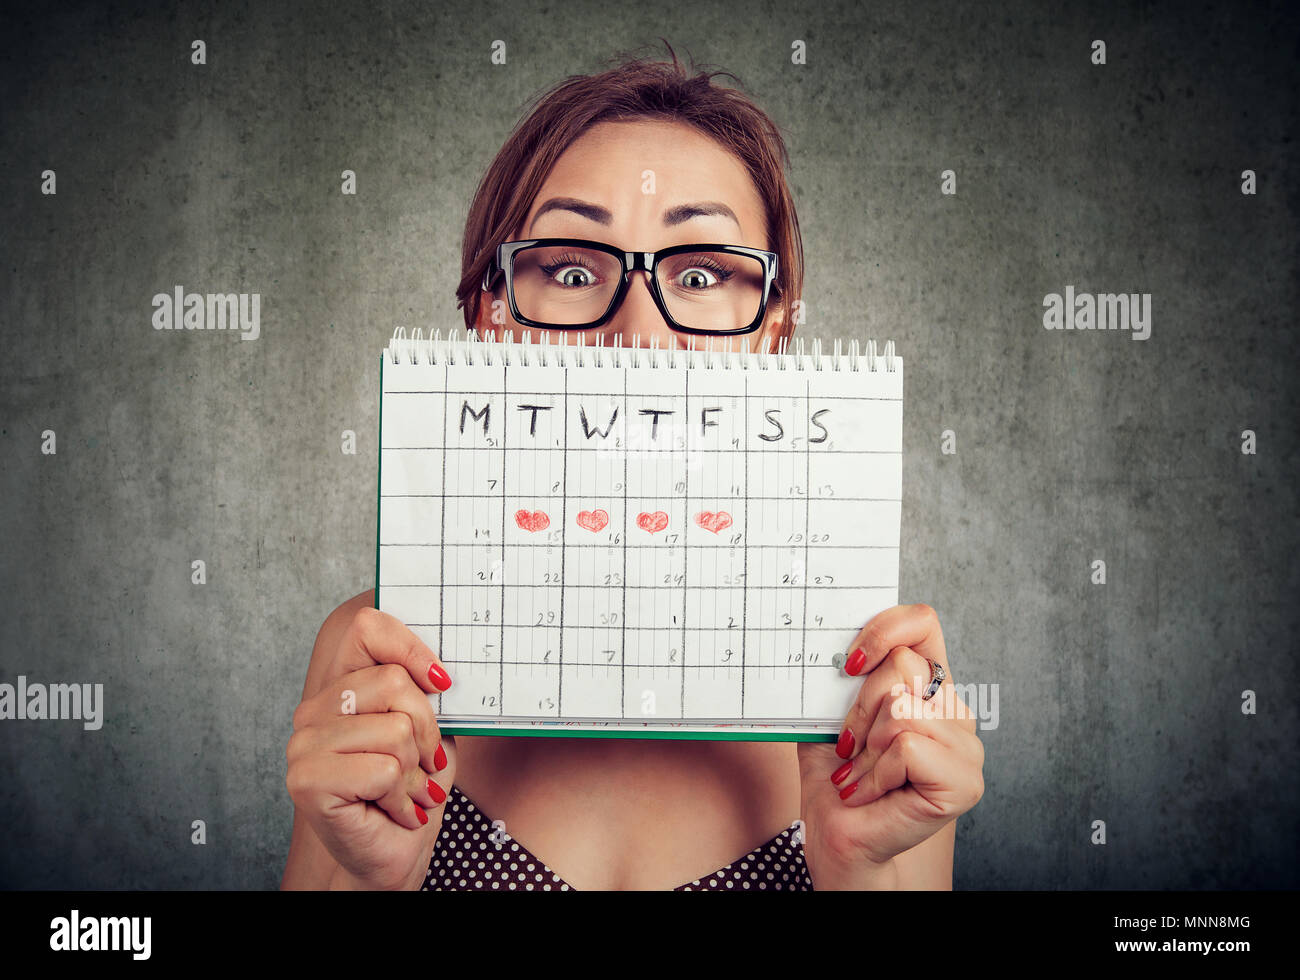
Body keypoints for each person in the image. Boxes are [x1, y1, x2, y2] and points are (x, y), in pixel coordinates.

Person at [282, 45, 983, 891]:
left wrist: (860, 873)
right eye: (573, 269)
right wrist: (369, 881)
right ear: (489, 315)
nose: (641, 335)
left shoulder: (878, 693)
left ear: (773, 330)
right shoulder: (374, 654)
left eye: (699, 272)